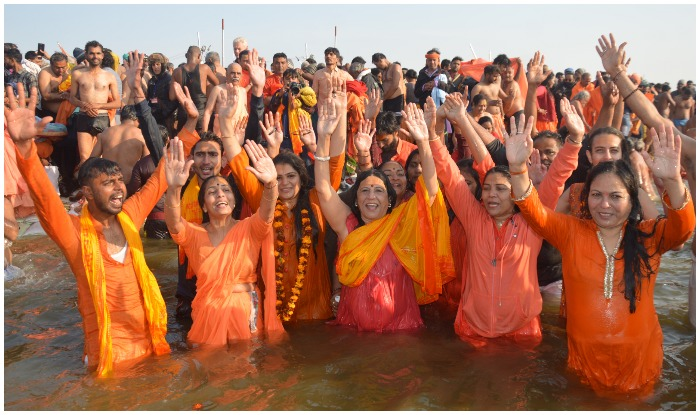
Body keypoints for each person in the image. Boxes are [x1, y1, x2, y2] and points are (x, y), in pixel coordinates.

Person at [510, 122, 694, 394]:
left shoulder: (648, 235)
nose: (604, 204)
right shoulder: (571, 231)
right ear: (586, 198)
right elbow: (534, 213)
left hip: (640, 365)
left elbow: (683, 228)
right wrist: (516, 168)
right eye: (596, 195)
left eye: (615, 196)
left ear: (632, 201)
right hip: (583, 364)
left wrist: (673, 181)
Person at [5, 85, 169, 377]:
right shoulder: (74, 235)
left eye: (119, 180)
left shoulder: (129, 217)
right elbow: (45, 200)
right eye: (108, 183)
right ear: (87, 194)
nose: (119, 187)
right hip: (106, 360)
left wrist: (192, 125)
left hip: (151, 347)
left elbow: (160, 179)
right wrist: (25, 152)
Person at [432, 92, 582, 347]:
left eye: (501, 189)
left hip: (521, 333)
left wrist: (575, 140)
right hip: (473, 330)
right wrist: (433, 136)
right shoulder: (473, 217)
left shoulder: (532, 221)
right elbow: (449, 174)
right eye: (487, 188)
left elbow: (556, 179)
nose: (491, 194)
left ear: (516, 194)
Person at [315, 92, 454, 332]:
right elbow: (324, 189)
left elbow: (431, 188)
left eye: (378, 191)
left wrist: (423, 140)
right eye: (365, 191)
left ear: (390, 199)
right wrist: (324, 137)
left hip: (402, 332)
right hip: (354, 333)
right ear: (356, 199)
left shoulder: (402, 225)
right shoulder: (348, 227)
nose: (371, 196)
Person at [224, 98, 344, 321]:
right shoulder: (264, 202)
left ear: (301, 177)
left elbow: (334, 165)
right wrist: (224, 122)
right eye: (278, 178)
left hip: (315, 312)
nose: (285, 183)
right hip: (272, 314)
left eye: (291, 176)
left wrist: (331, 128)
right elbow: (239, 166)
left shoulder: (317, 201)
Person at [164, 129, 282, 346]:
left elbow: (267, 211)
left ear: (234, 202)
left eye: (225, 190)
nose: (220, 194)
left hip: (244, 310)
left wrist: (271, 183)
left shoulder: (250, 228)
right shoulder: (194, 233)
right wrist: (173, 189)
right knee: (210, 365)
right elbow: (173, 224)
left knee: (247, 368)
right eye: (212, 192)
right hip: (208, 310)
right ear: (204, 206)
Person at [69, 40, 121, 165]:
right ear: (86, 54)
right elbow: (72, 98)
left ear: (102, 55)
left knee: (103, 158)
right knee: (84, 158)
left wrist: (98, 106)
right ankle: (84, 184)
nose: (95, 56)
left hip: (102, 117)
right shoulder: (77, 74)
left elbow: (118, 102)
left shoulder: (109, 76)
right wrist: (84, 105)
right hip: (83, 117)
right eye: (92, 53)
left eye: (98, 53)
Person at [89, 105, 149, 184]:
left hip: (108, 182)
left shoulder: (105, 133)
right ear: (138, 119)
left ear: (120, 118)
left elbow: (92, 160)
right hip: (130, 184)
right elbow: (147, 165)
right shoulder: (141, 135)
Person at [170, 46, 219, 133]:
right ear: (199, 56)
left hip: (184, 113)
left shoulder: (177, 71)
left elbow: (172, 97)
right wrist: (207, 86)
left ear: (186, 56)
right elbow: (217, 84)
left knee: (185, 143)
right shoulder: (205, 68)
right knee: (200, 142)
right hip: (201, 114)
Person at [202, 62, 248, 133]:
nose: (236, 76)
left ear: (241, 75)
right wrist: (204, 133)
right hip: (221, 133)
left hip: (239, 134)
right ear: (226, 74)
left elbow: (245, 113)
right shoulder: (217, 89)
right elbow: (207, 112)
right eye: (232, 73)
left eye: (238, 73)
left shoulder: (243, 91)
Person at [37, 52, 69, 119]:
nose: (61, 70)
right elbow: (46, 96)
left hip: (67, 112)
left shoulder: (69, 72)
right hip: (50, 114)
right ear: (51, 64)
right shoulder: (45, 73)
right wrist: (65, 96)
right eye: (57, 68)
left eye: (63, 67)